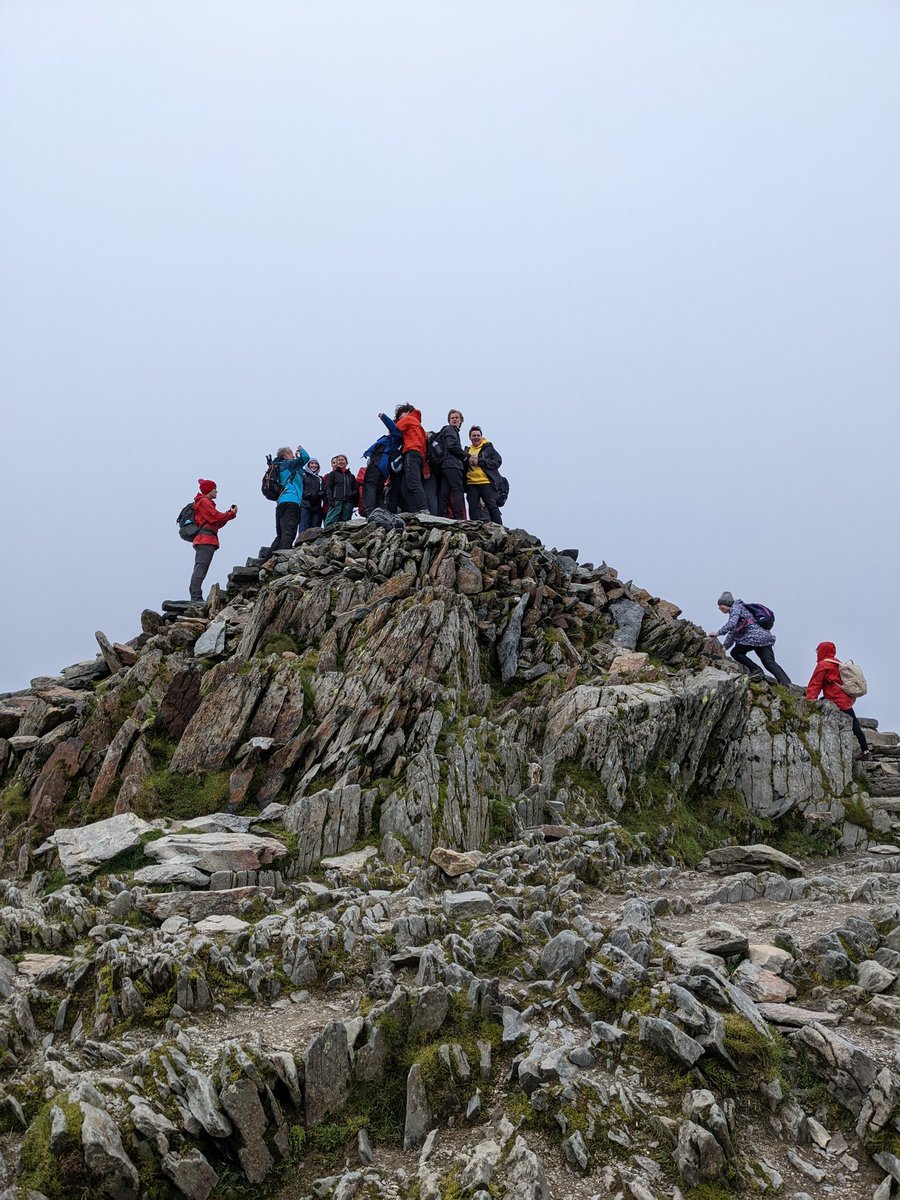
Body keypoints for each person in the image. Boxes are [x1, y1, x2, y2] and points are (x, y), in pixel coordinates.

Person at [709, 592, 791, 684]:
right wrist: (725, 646)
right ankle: (786, 683)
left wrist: (718, 633)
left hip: (752, 638)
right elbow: (733, 632)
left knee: (736, 653)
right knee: (769, 662)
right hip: (765, 637)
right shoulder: (741, 609)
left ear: (727, 604)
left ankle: (756, 670)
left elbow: (731, 625)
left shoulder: (735, 608)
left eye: (721, 607)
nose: (720, 609)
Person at [806, 642, 871, 757]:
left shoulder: (824, 665)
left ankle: (864, 751)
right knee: (854, 724)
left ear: (823, 651)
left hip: (835, 699)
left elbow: (815, 684)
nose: (817, 653)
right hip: (846, 699)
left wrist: (810, 700)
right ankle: (865, 750)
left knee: (852, 723)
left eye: (818, 650)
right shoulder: (837, 663)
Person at [189, 479, 237, 602]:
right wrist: (230, 514)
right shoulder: (204, 502)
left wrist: (229, 514)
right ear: (209, 490)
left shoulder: (204, 502)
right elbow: (215, 516)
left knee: (201, 567)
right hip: (205, 540)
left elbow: (216, 522)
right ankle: (196, 596)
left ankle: (196, 595)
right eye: (214, 488)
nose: (216, 491)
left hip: (206, 539)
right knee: (201, 567)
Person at [265, 445, 310, 561]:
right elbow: (306, 458)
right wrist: (301, 450)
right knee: (289, 530)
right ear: (285, 455)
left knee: (281, 534)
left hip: (281, 502)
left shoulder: (278, 466)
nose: (293, 455)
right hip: (292, 501)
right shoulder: (288, 464)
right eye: (291, 454)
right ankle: (282, 559)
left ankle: (267, 561)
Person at [362, 413, 402, 515]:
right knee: (378, 490)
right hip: (383, 467)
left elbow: (394, 429)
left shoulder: (395, 437)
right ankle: (381, 512)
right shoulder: (393, 439)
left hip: (378, 463)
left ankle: (370, 511)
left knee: (370, 485)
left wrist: (383, 417)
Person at [394, 404, 429, 513]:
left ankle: (423, 509)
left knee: (413, 483)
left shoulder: (409, 419)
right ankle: (414, 511)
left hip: (411, 452)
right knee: (405, 487)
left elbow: (395, 429)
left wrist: (383, 418)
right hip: (417, 455)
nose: (400, 418)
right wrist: (425, 467)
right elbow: (424, 448)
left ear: (408, 412)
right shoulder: (419, 427)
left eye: (401, 415)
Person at [465, 426, 503, 524]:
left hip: (486, 482)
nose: (476, 437)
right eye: (473, 435)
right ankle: (474, 528)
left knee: (491, 506)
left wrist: (479, 461)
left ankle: (500, 528)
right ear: (470, 437)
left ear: (481, 437)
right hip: (471, 483)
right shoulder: (467, 451)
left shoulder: (488, 448)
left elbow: (497, 461)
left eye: (478, 435)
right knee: (472, 507)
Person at [436, 409, 468, 519]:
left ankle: (442, 516)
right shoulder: (450, 430)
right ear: (449, 421)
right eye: (452, 418)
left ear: (461, 421)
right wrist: (465, 456)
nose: (454, 419)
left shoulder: (445, 430)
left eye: (456, 418)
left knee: (444, 492)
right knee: (457, 490)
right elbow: (452, 446)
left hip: (444, 465)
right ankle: (458, 517)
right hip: (452, 465)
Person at [322, 454, 359, 528]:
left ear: (346, 462)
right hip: (336, 501)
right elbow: (328, 487)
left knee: (346, 523)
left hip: (348, 502)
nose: (340, 461)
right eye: (339, 460)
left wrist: (352, 496)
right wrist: (330, 499)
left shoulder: (351, 476)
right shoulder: (332, 474)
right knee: (331, 521)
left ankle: (343, 538)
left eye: (342, 460)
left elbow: (355, 489)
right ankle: (327, 537)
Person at [298, 459, 324, 532]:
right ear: (308, 465)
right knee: (304, 526)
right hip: (305, 505)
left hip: (317, 506)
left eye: (316, 464)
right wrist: (308, 495)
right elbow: (300, 488)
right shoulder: (304, 476)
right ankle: (302, 542)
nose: (314, 465)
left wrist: (318, 495)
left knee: (316, 528)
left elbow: (324, 490)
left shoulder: (320, 478)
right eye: (312, 463)